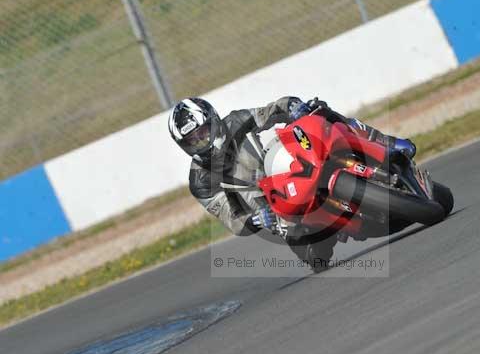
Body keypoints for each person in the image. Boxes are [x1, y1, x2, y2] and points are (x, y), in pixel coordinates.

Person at [168, 96, 416, 270]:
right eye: (193, 141)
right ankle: (330, 227)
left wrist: (293, 106)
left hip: (286, 165)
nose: (201, 141)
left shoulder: (236, 121)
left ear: (213, 120)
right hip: (271, 208)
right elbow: (229, 215)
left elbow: (272, 111)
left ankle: (385, 143)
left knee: (320, 112)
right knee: (315, 260)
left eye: (202, 132)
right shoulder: (200, 180)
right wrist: (252, 220)